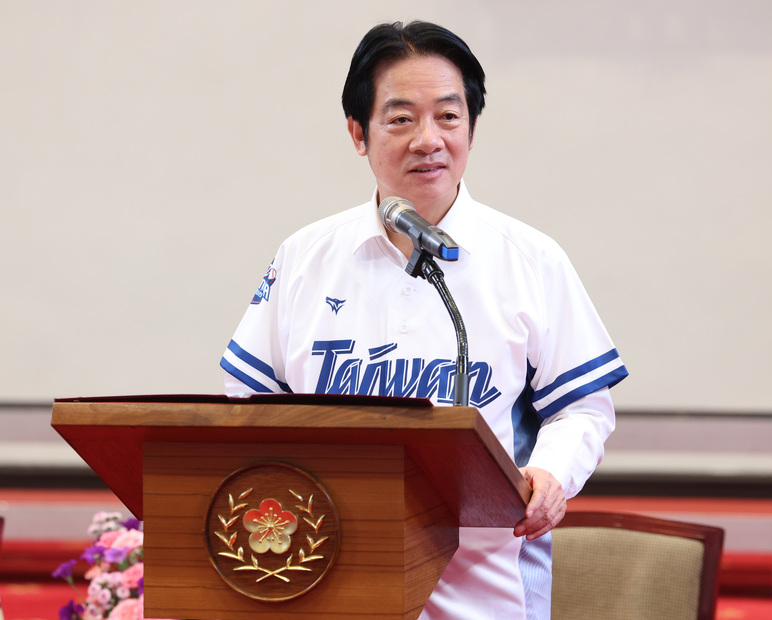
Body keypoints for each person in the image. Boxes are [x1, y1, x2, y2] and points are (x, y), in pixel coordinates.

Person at [221, 20, 628, 619]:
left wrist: (548, 473)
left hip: (487, 591)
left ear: (472, 127)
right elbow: (247, 401)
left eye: (448, 116)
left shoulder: (531, 259)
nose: (428, 139)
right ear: (358, 133)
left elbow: (582, 407)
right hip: (325, 580)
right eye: (401, 118)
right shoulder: (305, 257)